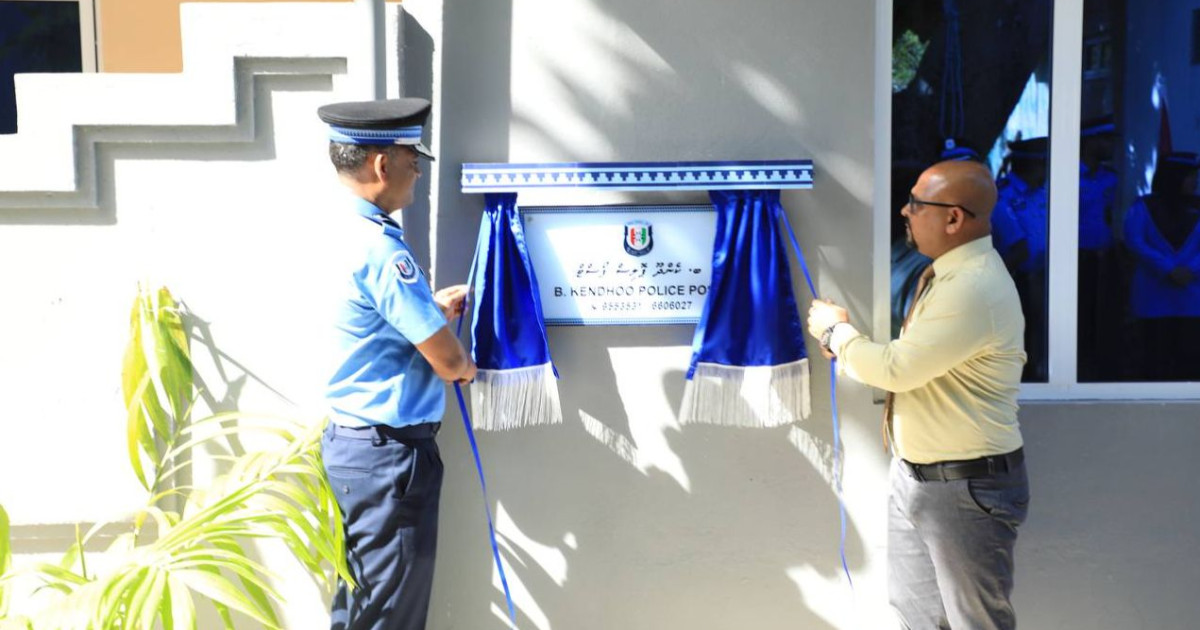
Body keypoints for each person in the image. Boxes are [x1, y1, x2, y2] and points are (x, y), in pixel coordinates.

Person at [808, 160, 1029, 630]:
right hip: (921, 479)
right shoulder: (948, 273)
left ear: (953, 218)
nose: (905, 213)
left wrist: (836, 333)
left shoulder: (971, 286)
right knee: (917, 620)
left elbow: (897, 369)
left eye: (916, 204)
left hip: (963, 489)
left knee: (976, 623)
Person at [316, 97, 477, 630]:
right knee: (390, 613)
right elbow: (449, 361)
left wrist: (430, 309)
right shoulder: (384, 251)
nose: (415, 174)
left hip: (355, 448)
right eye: (413, 161)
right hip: (390, 459)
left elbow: (376, 321)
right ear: (382, 164)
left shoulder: (338, 231)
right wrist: (463, 364)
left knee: (363, 601)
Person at [1122, 151, 1200, 381]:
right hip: (1153, 294)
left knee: (1190, 357)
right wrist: (1168, 268)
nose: (1195, 181)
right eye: (1189, 176)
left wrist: (1191, 269)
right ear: (1173, 177)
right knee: (1155, 355)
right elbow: (1134, 240)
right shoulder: (1143, 206)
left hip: (1192, 295)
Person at [992, 137, 1048, 381]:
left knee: (1042, 333)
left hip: (1046, 277)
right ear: (1035, 165)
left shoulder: (1046, 191)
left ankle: (1037, 369)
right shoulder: (1002, 196)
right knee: (1021, 336)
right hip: (1017, 278)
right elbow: (1019, 248)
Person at [1077, 116, 1120, 380]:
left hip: (1104, 257)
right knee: (1077, 320)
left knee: (1102, 320)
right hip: (1075, 259)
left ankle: (1098, 370)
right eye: (1105, 140)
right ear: (1090, 141)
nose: (1110, 146)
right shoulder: (1066, 174)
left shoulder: (1111, 178)